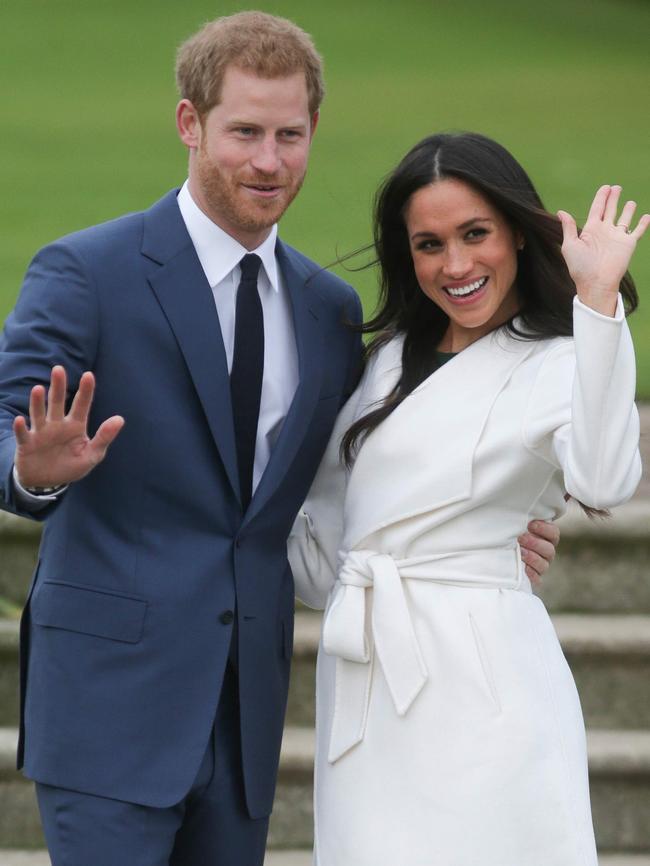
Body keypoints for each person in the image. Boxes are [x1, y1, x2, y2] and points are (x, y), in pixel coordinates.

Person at [0, 14, 558, 865]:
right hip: (109, 713)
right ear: (190, 125)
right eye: (245, 132)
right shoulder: (86, 272)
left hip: (246, 718)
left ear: (313, 132)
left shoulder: (328, 311)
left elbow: (350, 481)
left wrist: (472, 527)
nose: (269, 160)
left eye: (289, 135)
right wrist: (30, 472)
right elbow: (6, 428)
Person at [289, 132, 646, 866]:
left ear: (517, 230)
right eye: (429, 244)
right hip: (366, 671)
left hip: (485, 681)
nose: (455, 265)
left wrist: (599, 303)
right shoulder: (385, 361)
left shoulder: (565, 355)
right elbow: (323, 541)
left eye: (474, 234)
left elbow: (609, 479)